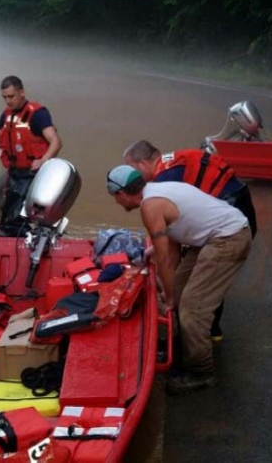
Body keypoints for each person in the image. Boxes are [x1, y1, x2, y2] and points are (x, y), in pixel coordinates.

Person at [106, 164, 252, 395]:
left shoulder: (150, 206)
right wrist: (170, 288)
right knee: (179, 292)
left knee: (192, 309)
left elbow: (165, 259)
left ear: (121, 194)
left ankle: (202, 371)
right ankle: (181, 348)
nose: (117, 203)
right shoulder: (158, 189)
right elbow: (171, 248)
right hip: (212, 237)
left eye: (115, 198)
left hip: (228, 238)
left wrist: (169, 296)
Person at [123, 139, 257, 341]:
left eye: (131, 168)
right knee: (199, 279)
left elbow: (171, 251)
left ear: (142, 164)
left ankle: (204, 334)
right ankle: (200, 330)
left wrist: (167, 290)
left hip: (231, 214)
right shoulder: (170, 164)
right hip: (236, 203)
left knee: (204, 283)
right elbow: (177, 227)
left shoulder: (160, 183)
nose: (132, 176)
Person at [0, 75, 62, 237]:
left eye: (11, 97)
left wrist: (43, 160)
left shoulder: (38, 114)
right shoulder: (6, 116)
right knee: (8, 216)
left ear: (21, 92)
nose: (8, 101)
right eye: (4, 98)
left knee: (17, 217)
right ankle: (14, 237)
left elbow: (55, 141)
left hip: (34, 173)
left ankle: (24, 239)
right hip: (14, 173)